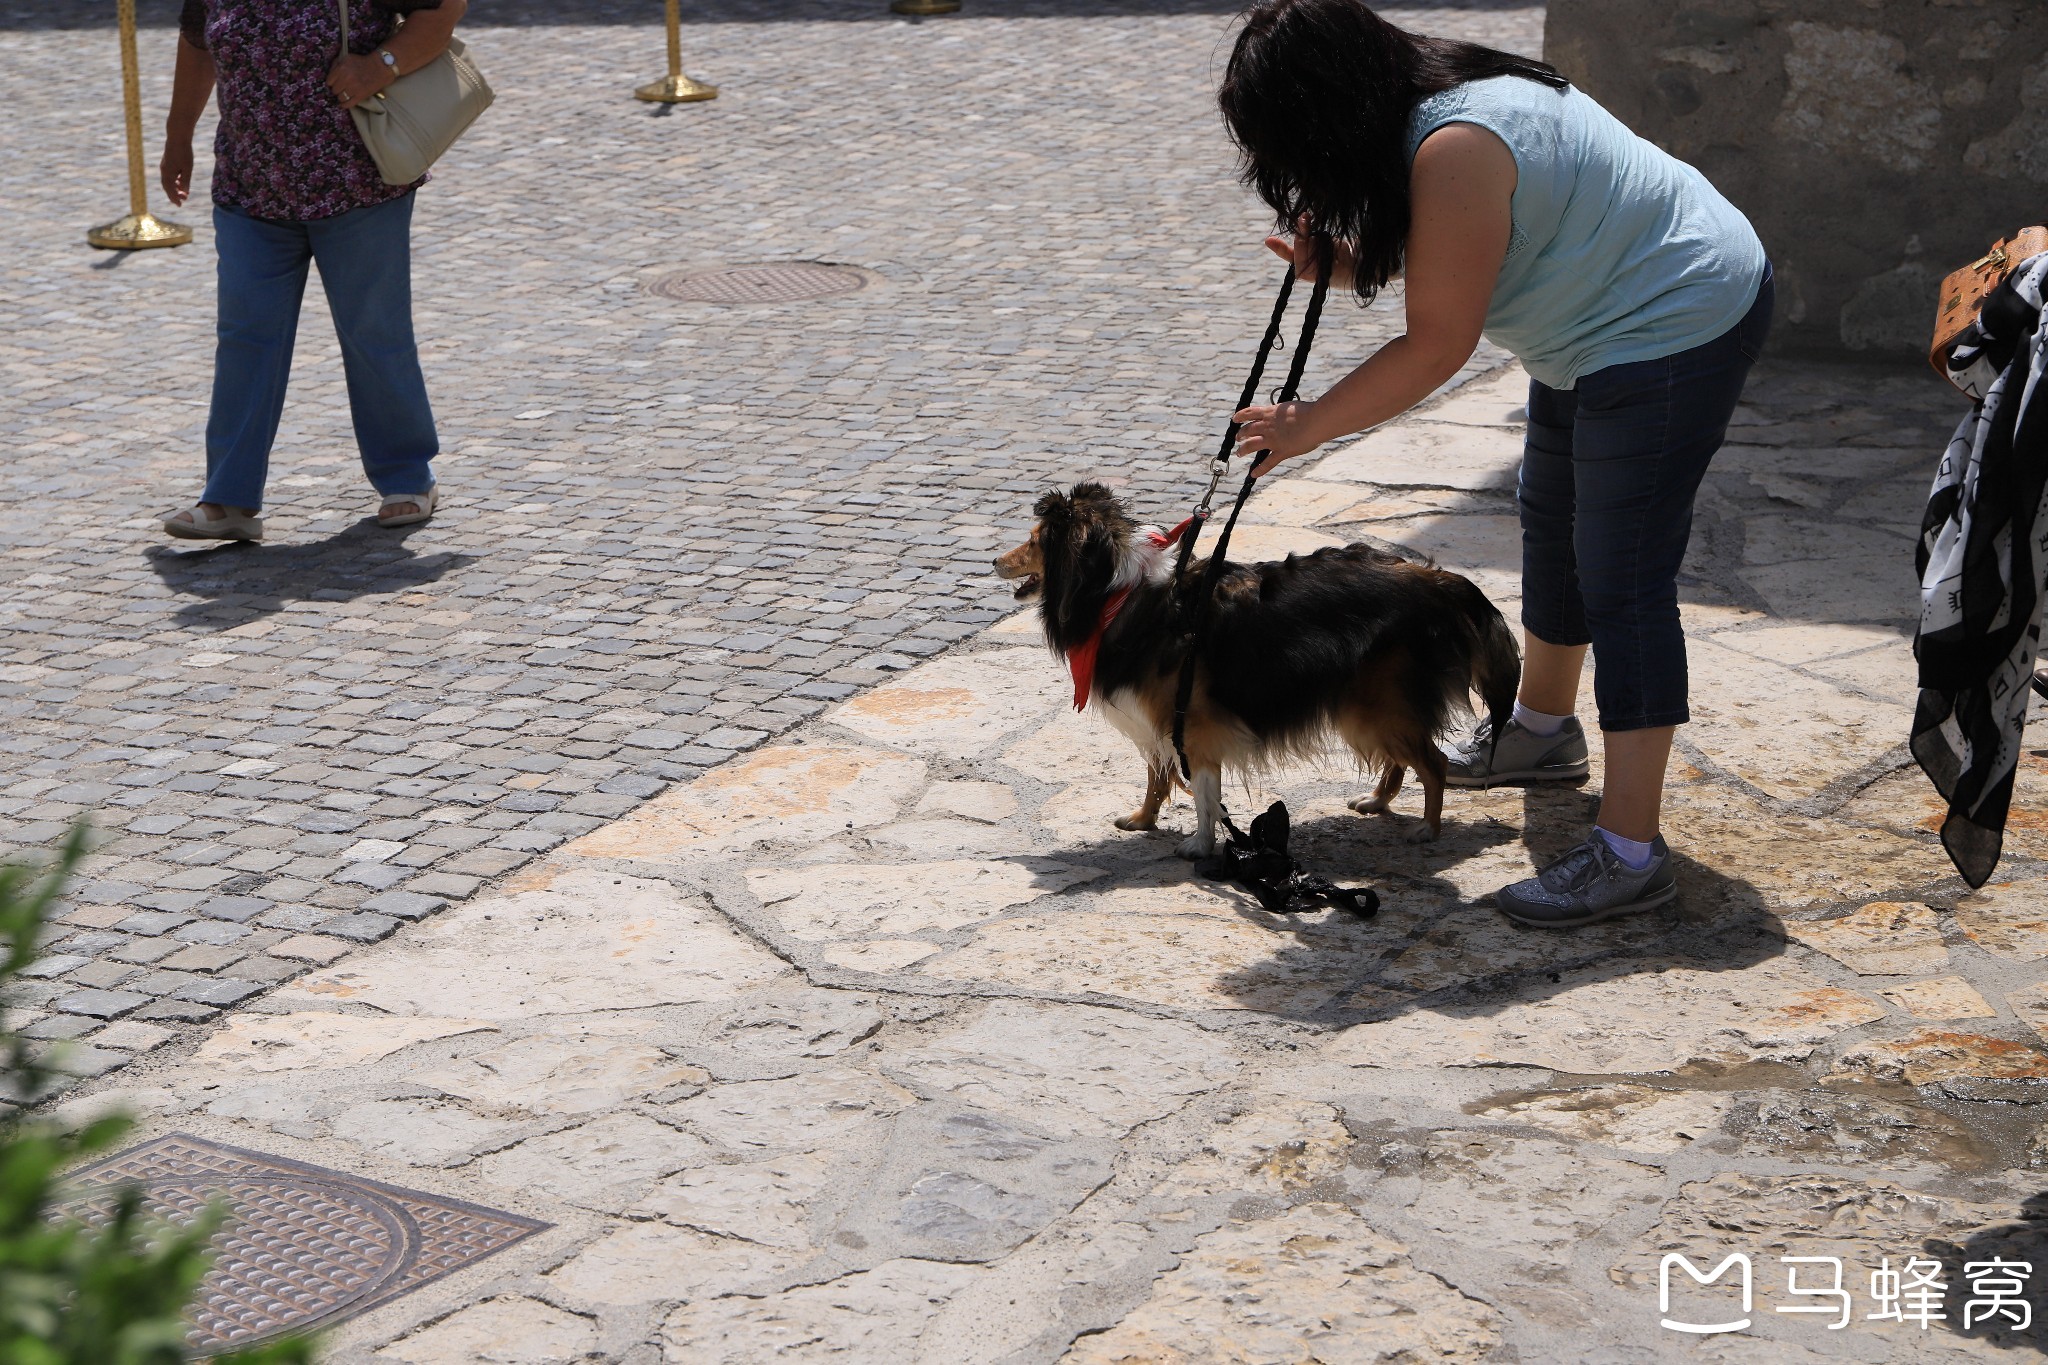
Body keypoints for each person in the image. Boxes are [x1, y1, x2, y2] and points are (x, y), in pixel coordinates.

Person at [1220, 0, 1772, 928]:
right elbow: (1461, 255)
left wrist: (1309, 425)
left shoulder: (1458, 143)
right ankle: (1543, 736)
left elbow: (1437, 344)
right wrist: (1345, 269)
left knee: (1623, 575)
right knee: (1549, 517)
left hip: (1673, 316)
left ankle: (1632, 853)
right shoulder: (1429, 98)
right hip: (1592, 326)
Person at [159, 0, 466, 542]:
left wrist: (380, 66)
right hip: (249, 185)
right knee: (245, 335)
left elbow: (441, 13)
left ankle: (406, 476)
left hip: (357, 181)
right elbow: (199, 41)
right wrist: (178, 133)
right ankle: (229, 498)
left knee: (374, 331)